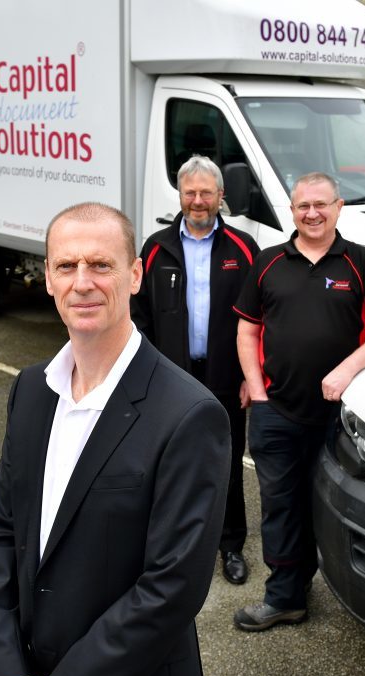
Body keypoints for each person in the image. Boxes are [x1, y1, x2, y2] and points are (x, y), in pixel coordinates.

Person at [0, 202, 230, 676]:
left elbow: (170, 589)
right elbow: (2, 531)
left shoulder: (189, 414)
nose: (82, 282)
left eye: (101, 264)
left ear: (135, 275)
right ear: (47, 278)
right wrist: (8, 671)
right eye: (66, 266)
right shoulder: (31, 390)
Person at [232, 172, 365, 632]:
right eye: (302, 206)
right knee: (280, 505)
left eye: (320, 204)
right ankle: (285, 596)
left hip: (338, 417)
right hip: (275, 411)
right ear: (291, 211)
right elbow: (248, 328)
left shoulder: (361, 262)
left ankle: (346, 589)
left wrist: (349, 368)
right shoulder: (270, 261)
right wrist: (255, 388)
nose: (311, 213)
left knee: (333, 505)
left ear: (338, 206)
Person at [131, 155, 260, 586]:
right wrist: (146, 372)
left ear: (221, 196)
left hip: (224, 376)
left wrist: (250, 374)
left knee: (223, 459)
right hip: (171, 379)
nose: (198, 201)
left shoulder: (242, 249)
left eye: (207, 193)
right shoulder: (154, 248)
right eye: (191, 193)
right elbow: (139, 315)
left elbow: (260, 317)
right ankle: (172, 542)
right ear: (180, 196)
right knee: (169, 459)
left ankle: (230, 544)